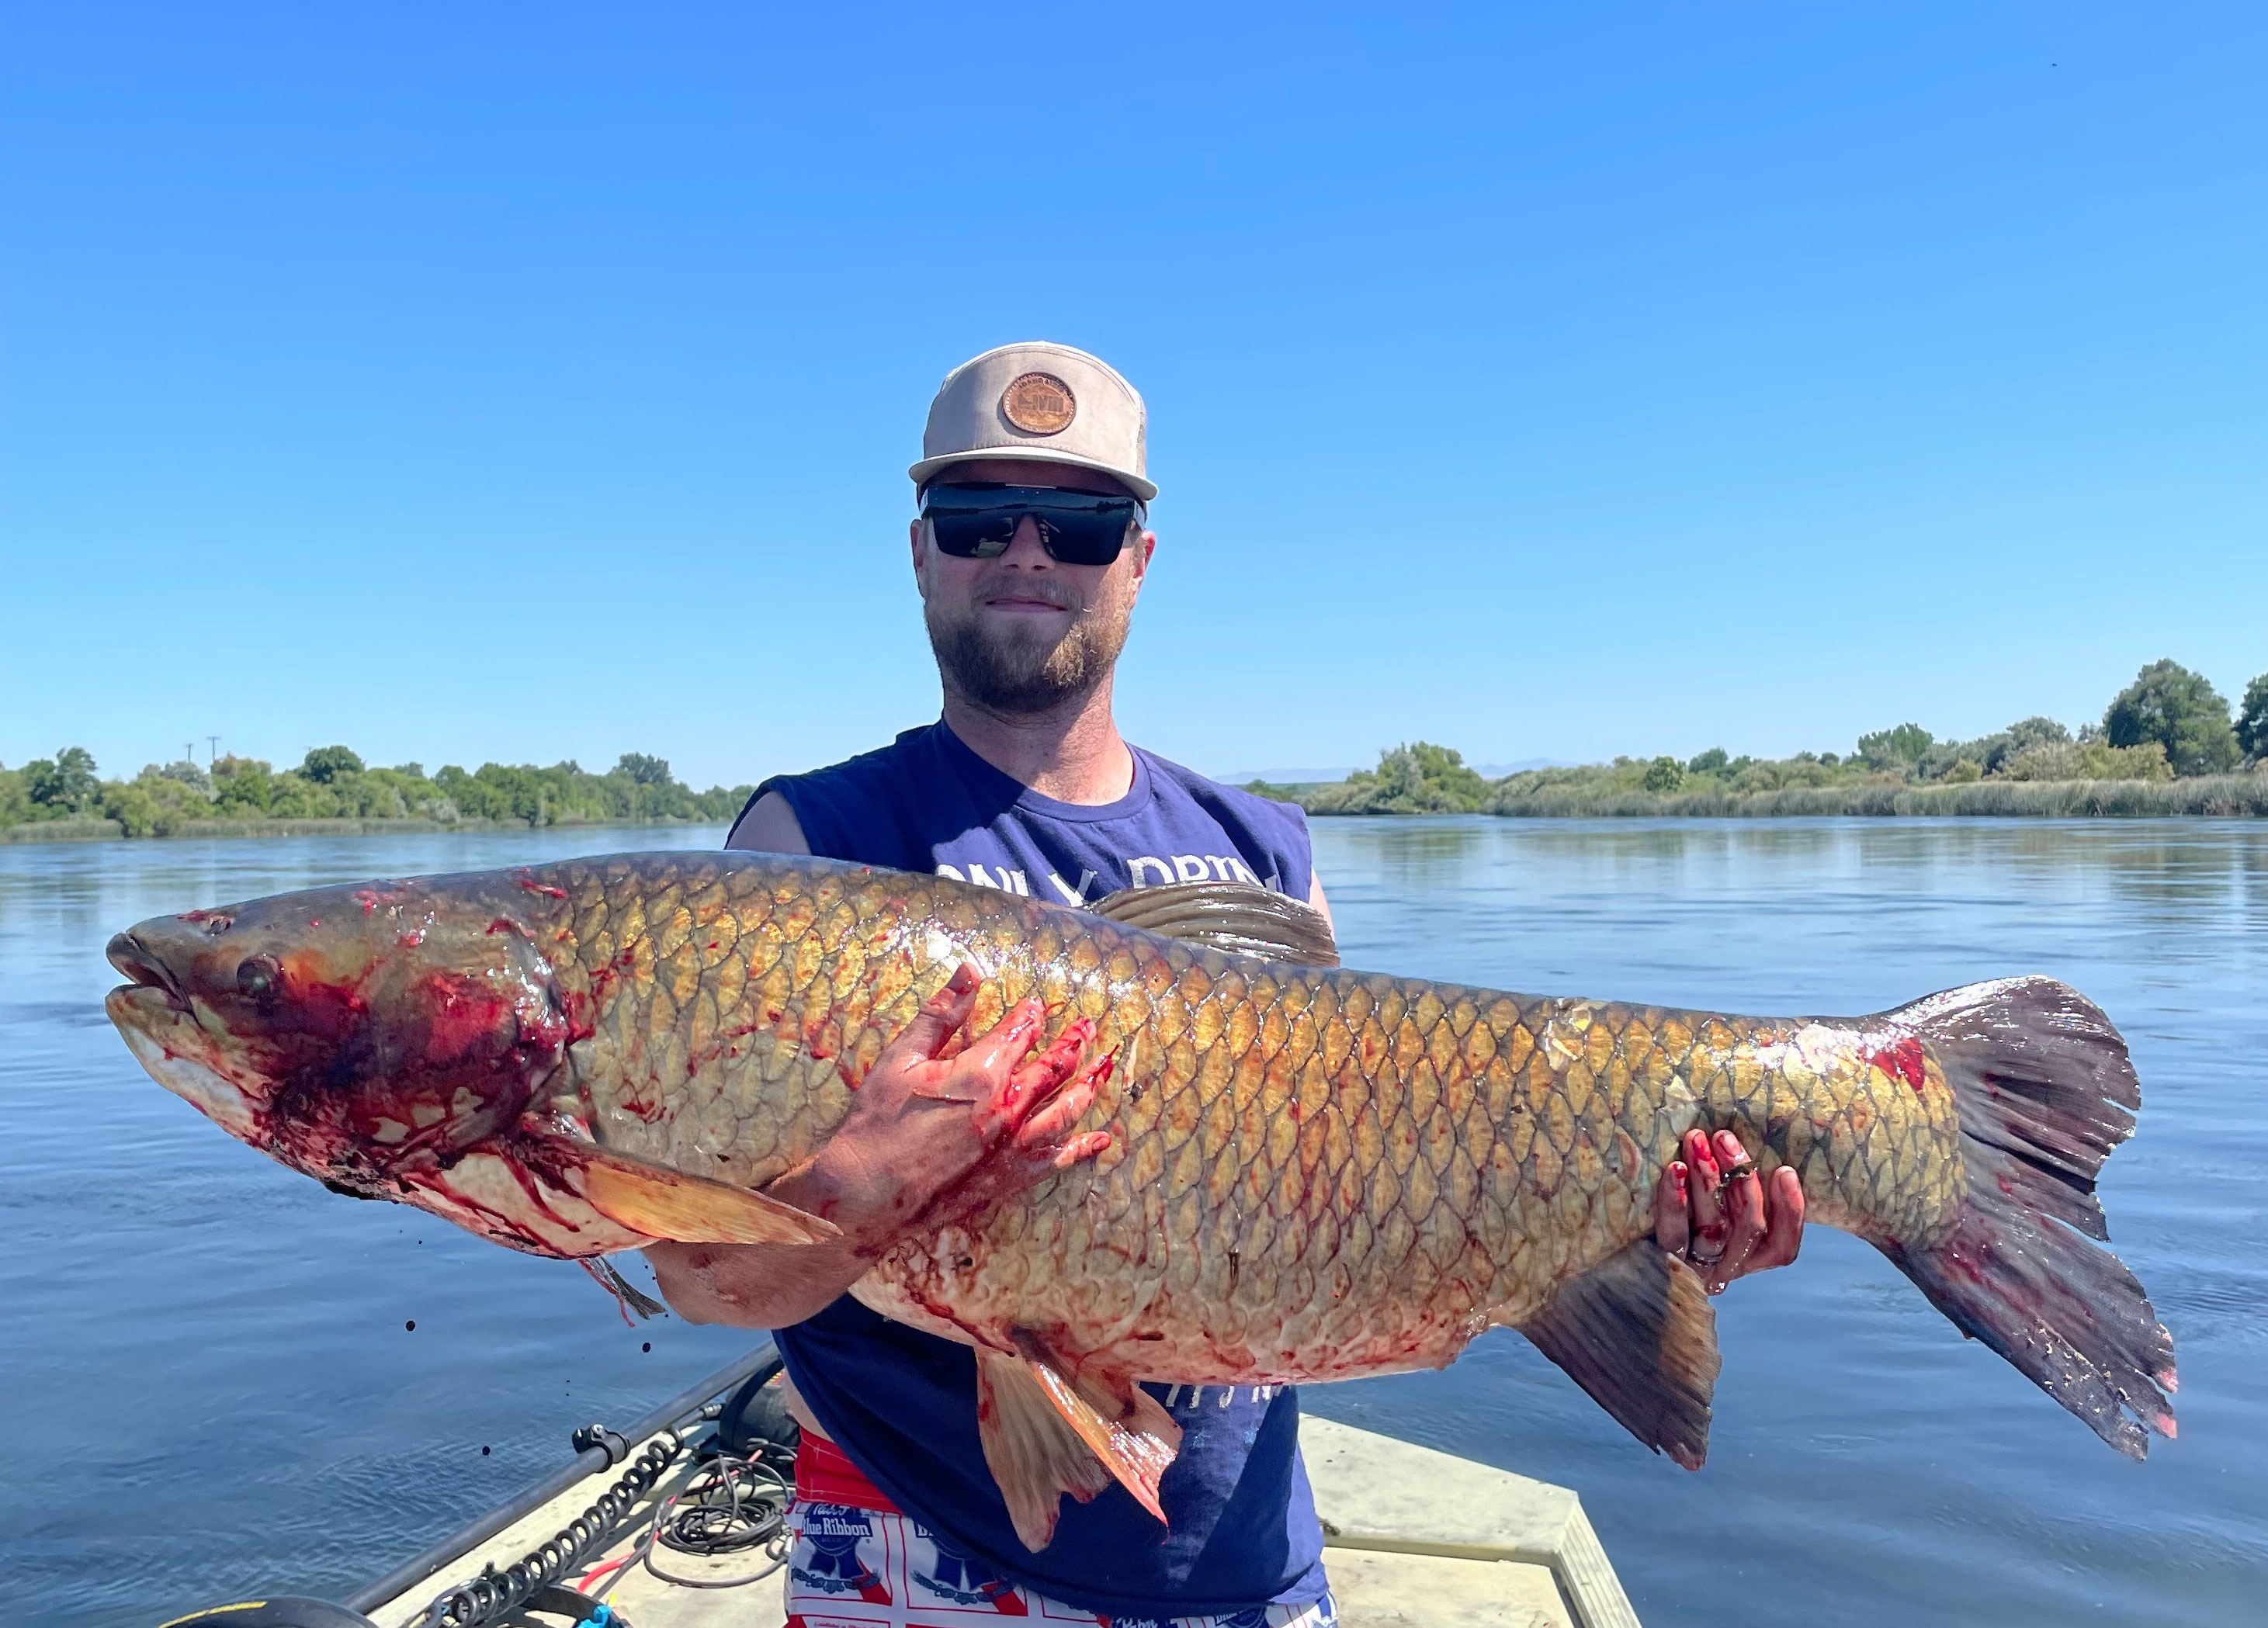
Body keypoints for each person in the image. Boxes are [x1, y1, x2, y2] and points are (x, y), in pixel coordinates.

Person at [645, 343, 1804, 1628]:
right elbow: (698, 1286)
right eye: (980, 518)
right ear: (921, 551)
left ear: (1137, 561)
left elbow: (1353, 1192)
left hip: (1239, 1562)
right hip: (908, 1544)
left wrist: (1636, 1231)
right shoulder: (808, 847)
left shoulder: (1268, 847)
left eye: (1081, 522)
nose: (1027, 554)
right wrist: (857, 1188)